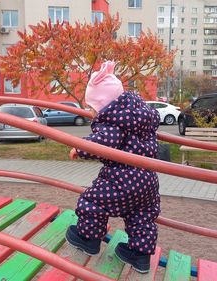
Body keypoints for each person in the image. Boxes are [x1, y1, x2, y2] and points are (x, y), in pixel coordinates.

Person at [65, 61, 161, 273]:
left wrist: (80, 149)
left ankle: (87, 239)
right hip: (148, 180)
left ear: (103, 104)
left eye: (92, 108)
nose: (92, 113)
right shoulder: (138, 115)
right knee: (142, 215)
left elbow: (104, 141)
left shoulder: (114, 119)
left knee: (93, 201)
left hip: (122, 178)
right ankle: (139, 256)